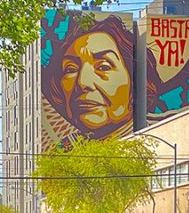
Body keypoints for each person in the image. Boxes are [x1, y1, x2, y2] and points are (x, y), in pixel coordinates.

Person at [41, 14, 134, 146]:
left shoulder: (155, 136)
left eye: (103, 66)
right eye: (71, 70)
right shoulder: (63, 150)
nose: (83, 82)